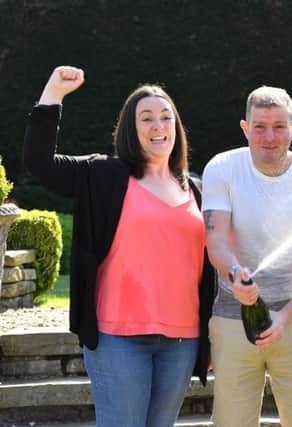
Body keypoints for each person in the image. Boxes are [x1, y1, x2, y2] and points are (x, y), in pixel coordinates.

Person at [23, 66, 216, 427]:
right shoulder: (104, 175)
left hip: (182, 340)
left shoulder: (197, 190)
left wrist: (211, 338)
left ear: (176, 126)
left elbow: (212, 267)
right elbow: (40, 164)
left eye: (165, 117)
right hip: (118, 337)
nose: (158, 126)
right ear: (131, 128)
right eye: (146, 119)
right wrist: (52, 96)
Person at [202, 86, 292, 427]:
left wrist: (284, 317)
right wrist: (235, 274)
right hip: (233, 317)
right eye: (259, 126)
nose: (269, 136)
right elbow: (215, 238)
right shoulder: (222, 168)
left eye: (279, 126)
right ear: (245, 128)